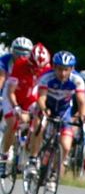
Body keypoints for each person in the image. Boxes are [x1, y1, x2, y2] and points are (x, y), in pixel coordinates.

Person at [32, 51, 85, 189]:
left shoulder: (77, 80)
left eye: (66, 69)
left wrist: (82, 117)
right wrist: (44, 109)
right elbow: (41, 98)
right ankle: (33, 159)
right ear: (54, 67)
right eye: (59, 69)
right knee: (40, 125)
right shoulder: (46, 77)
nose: (63, 73)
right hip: (47, 107)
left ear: (72, 69)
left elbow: (82, 102)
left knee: (66, 145)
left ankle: (54, 173)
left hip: (64, 111)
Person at [0, 43, 50, 179]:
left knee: (40, 124)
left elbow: (43, 95)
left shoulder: (48, 70)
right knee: (13, 123)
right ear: (29, 61)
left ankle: (32, 157)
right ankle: (3, 157)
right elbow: (10, 92)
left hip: (31, 98)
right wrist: (16, 107)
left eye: (40, 68)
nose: (37, 71)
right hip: (14, 95)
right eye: (34, 67)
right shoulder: (20, 65)